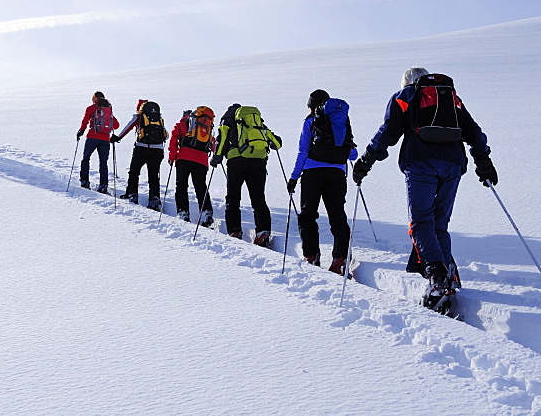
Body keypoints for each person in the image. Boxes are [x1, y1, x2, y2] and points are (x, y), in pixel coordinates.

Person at [353, 67, 496, 308]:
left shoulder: (404, 96)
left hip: (421, 163)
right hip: (453, 165)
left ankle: (437, 279)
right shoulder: (451, 98)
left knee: (421, 222)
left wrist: (366, 160)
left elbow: (387, 132)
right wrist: (484, 162)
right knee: (439, 223)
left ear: (406, 81)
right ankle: (448, 276)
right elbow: (473, 132)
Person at [286, 90, 357, 275]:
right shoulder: (341, 121)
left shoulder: (310, 122)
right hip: (337, 173)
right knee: (337, 215)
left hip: (312, 173)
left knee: (308, 215)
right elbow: (353, 153)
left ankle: (311, 255)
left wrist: (294, 177)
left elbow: (303, 151)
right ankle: (339, 258)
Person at [211, 103, 282, 246]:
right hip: (258, 162)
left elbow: (223, 139)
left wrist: (216, 157)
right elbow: (277, 143)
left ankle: (234, 230)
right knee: (258, 198)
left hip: (236, 162)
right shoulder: (255, 122)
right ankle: (263, 232)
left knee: (233, 197)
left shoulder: (228, 119)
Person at [112, 100, 167, 209]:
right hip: (158, 150)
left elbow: (128, 127)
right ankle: (154, 199)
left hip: (141, 148)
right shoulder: (158, 118)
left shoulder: (139, 117)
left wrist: (117, 138)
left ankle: (132, 194)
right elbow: (166, 135)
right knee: (154, 175)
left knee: (134, 171)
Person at [168, 107, 215, 224]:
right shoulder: (206, 126)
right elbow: (213, 144)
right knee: (200, 186)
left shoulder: (182, 124)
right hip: (202, 160)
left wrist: (172, 156)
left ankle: (183, 212)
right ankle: (206, 213)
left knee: (181, 186)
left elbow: (174, 139)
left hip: (184, 159)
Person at [76, 91, 119, 193]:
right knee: (103, 162)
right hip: (105, 139)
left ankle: (84, 181)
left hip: (92, 137)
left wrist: (81, 131)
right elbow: (116, 125)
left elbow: (85, 120)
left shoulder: (91, 108)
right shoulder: (108, 110)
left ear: (95, 99)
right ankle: (103, 185)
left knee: (86, 158)